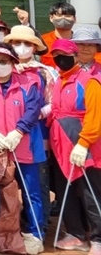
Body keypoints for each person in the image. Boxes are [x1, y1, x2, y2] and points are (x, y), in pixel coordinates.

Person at [0, 44, 46, 254]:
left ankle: (36, 233)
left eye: (3, 61)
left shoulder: (29, 82)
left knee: (31, 192)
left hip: (25, 146)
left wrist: (19, 131)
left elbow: (33, 109)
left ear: (13, 62)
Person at [48, 38, 101, 253]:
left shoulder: (90, 82)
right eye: (56, 55)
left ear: (75, 56)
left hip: (83, 144)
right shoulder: (58, 81)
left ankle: (98, 237)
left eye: (65, 55)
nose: (60, 59)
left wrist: (84, 143)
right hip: (60, 145)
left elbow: (95, 116)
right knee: (65, 189)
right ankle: (76, 233)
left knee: (91, 191)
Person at [39, 2, 79, 69]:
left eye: (68, 16)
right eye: (59, 15)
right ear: (51, 18)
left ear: (75, 19)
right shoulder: (42, 41)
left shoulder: (82, 42)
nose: (63, 18)